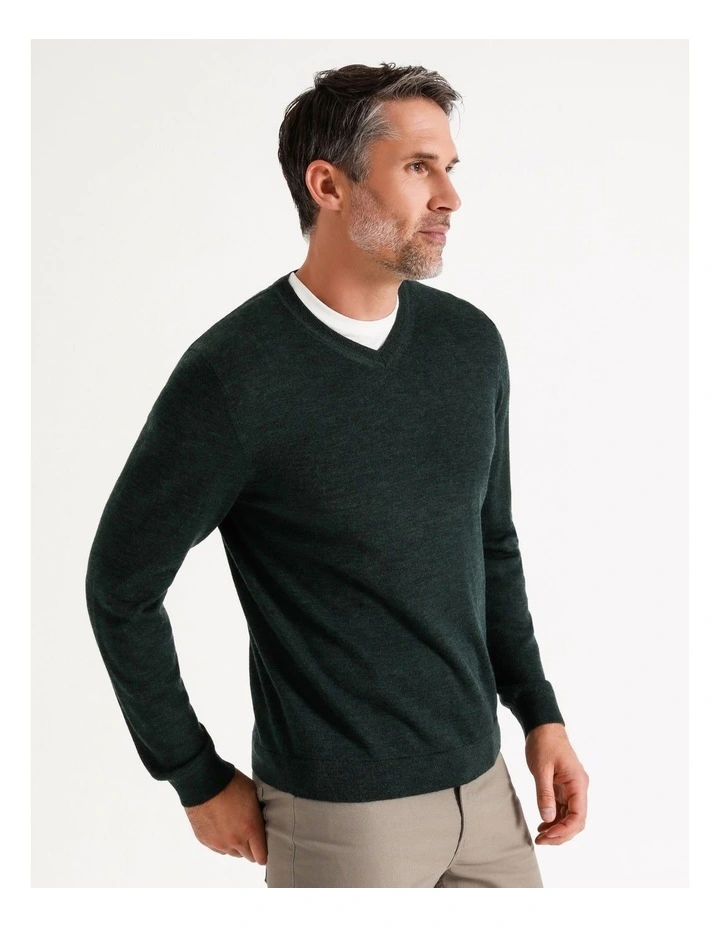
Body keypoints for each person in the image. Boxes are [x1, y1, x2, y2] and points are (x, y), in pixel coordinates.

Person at [85, 61, 589, 888]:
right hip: (343, 824)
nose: (451, 198)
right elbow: (121, 587)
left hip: (489, 799)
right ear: (328, 185)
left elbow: (490, 543)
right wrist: (193, 774)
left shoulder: (469, 346)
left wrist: (539, 712)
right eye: (418, 168)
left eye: (449, 168)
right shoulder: (235, 377)